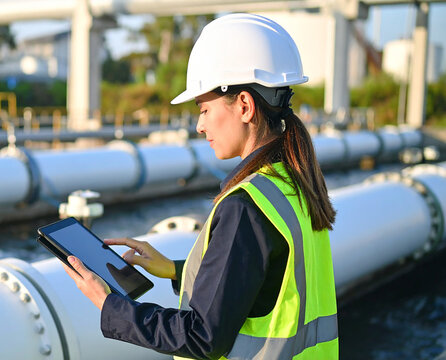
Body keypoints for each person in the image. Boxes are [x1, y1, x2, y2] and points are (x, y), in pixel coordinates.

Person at [63, 13, 338, 360]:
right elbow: (260, 282)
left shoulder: (246, 206)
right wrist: (175, 270)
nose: (199, 125)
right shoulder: (293, 184)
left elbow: (202, 336)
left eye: (204, 109)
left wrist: (110, 305)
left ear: (244, 105)